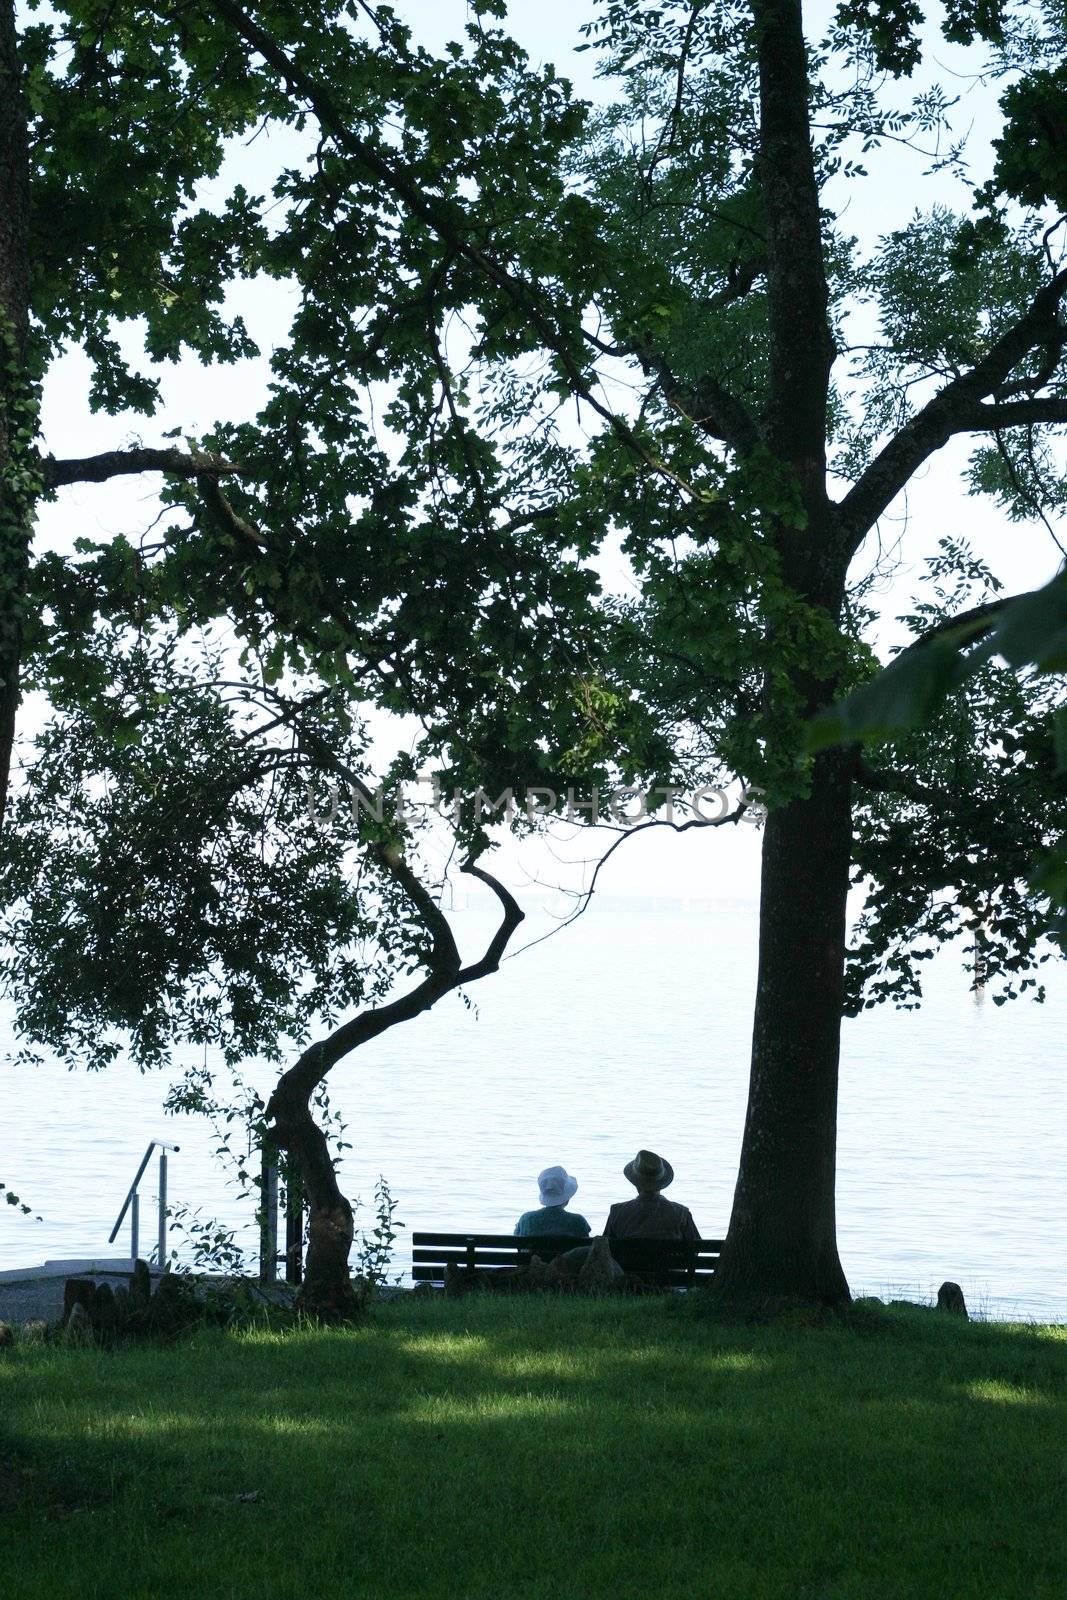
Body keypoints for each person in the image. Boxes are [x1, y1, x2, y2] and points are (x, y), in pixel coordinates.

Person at [604, 1149, 700, 1240]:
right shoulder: (681, 1213)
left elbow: (605, 1246)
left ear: (636, 1183)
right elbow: (696, 1247)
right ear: (661, 1184)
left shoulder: (617, 1212)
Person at [514, 1165, 591, 1238]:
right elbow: (587, 1248)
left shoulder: (527, 1219)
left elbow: (518, 1244)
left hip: (535, 1252)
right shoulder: (578, 1221)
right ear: (567, 1197)